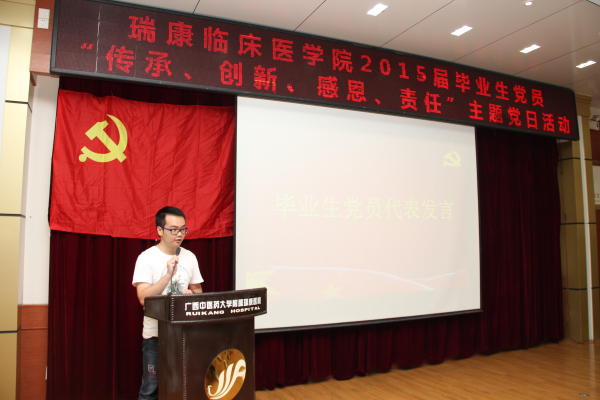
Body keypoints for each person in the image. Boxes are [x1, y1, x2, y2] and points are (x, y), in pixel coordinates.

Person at [132, 206, 203, 400]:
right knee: (151, 389)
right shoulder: (146, 258)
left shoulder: (190, 256)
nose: (179, 234)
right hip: (156, 335)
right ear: (160, 230)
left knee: (183, 386)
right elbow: (143, 298)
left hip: (184, 334)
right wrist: (167, 275)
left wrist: (191, 295)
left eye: (182, 229)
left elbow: (198, 291)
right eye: (173, 230)